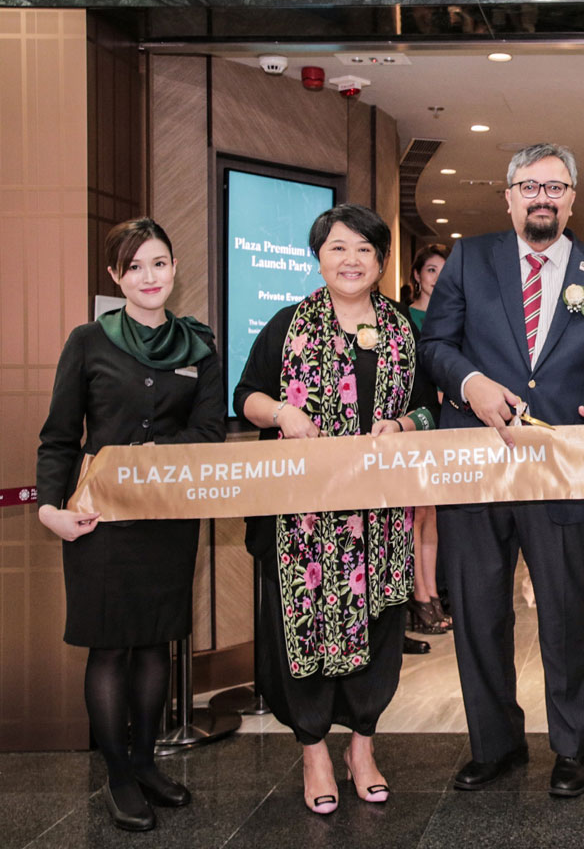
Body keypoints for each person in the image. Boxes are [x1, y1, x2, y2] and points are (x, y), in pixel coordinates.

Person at [418, 142, 584, 797]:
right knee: (481, 610)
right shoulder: (470, 258)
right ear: (508, 196)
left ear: (573, 198)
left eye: (555, 187)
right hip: (478, 461)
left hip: (563, 465)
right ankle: (495, 745)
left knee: (567, 611)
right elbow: (435, 345)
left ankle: (573, 747)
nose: (542, 197)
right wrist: (472, 386)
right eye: (529, 186)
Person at [235, 204, 436, 814]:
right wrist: (282, 413)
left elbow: (432, 408)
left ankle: (363, 749)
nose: (351, 260)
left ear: (380, 262)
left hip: (379, 520)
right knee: (303, 634)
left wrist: (403, 421)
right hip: (302, 523)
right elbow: (247, 396)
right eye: (338, 248)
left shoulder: (405, 327)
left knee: (377, 634)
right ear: (318, 256)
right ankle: (314, 751)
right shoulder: (287, 324)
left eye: (364, 250)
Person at [36, 218, 224, 832]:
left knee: (155, 645)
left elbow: (209, 433)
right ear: (117, 275)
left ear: (175, 269)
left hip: (167, 518)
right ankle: (117, 775)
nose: (150, 276)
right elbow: (60, 437)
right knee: (111, 647)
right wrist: (49, 508)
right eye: (136, 266)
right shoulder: (87, 341)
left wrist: (157, 463)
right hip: (98, 520)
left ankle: (146, 765)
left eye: (160, 263)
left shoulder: (199, 343)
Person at [406, 243, 452, 635]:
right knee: (417, 510)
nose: (437, 278)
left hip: (446, 422)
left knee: (432, 511)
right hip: (414, 422)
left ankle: (432, 593)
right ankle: (419, 598)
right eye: (431, 270)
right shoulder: (405, 319)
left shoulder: (458, 317)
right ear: (417, 275)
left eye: (444, 270)